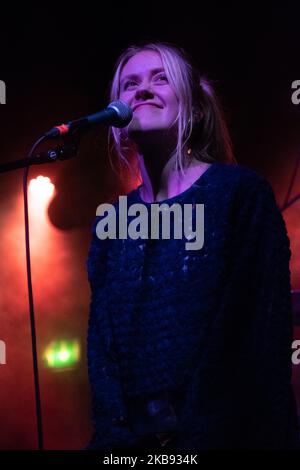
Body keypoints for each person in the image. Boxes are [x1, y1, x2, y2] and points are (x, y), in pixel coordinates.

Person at [86, 42, 299, 450]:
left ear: (195, 107)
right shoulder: (110, 223)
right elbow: (103, 352)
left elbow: (259, 333)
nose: (142, 90)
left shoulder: (238, 194)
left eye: (160, 78)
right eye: (129, 84)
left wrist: (196, 439)